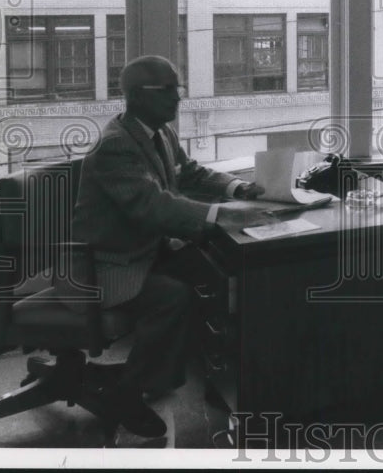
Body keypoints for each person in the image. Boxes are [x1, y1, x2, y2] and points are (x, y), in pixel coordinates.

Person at [71, 55, 264, 439]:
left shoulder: (158, 132)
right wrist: (222, 216)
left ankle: (198, 374)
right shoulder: (117, 146)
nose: (179, 98)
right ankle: (127, 393)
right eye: (170, 90)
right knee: (174, 297)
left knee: (211, 269)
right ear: (138, 96)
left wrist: (236, 188)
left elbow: (189, 172)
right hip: (108, 264)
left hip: (143, 249)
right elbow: (152, 205)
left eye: (179, 88)